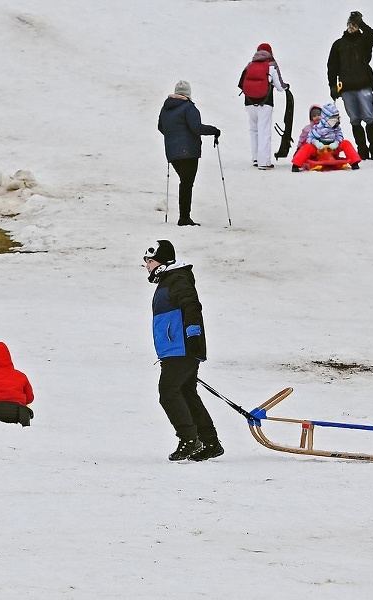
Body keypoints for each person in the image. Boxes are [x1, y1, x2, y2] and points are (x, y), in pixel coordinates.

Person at [144, 240, 223, 461]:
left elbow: (192, 306)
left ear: (161, 261)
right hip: (174, 349)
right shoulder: (170, 280)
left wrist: (194, 334)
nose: (147, 266)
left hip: (182, 348)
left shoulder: (177, 279)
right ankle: (210, 442)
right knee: (186, 393)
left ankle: (189, 439)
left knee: (168, 392)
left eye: (150, 261)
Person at [157, 81, 221, 227]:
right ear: (188, 93)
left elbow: (161, 127)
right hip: (189, 152)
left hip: (172, 153)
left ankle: (184, 217)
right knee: (186, 184)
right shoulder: (188, 107)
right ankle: (184, 218)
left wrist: (173, 138)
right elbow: (197, 128)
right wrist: (214, 130)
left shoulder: (165, 108)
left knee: (185, 183)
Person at [327, 11, 373, 161]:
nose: (352, 28)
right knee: (354, 119)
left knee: (369, 117)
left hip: (364, 84)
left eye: (355, 25)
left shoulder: (364, 41)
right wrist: (332, 85)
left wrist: (362, 23)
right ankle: (362, 150)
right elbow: (331, 66)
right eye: (350, 25)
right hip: (346, 88)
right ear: (347, 26)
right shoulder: (338, 44)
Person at [237, 42, 288, 170]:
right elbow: (280, 87)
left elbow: (241, 83)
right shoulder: (271, 66)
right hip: (265, 102)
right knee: (264, 130)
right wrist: (286, 87)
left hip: (249, 102)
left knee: (254, 130)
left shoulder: (249, 65)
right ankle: (264, 162)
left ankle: (255, 158)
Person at [291, 103, 361, 171]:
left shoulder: (336, 127)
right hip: (319, 150)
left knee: (346, 143)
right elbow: (310, 137)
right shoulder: (318, 127)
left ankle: (354, 162)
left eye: (337, 118)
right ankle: (296, 164)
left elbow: (340, 136)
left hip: (332, 148)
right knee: (307, 147)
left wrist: (336, 142)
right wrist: (316, 143)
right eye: (334, 118)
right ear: (326, 118)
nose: (336, 120)